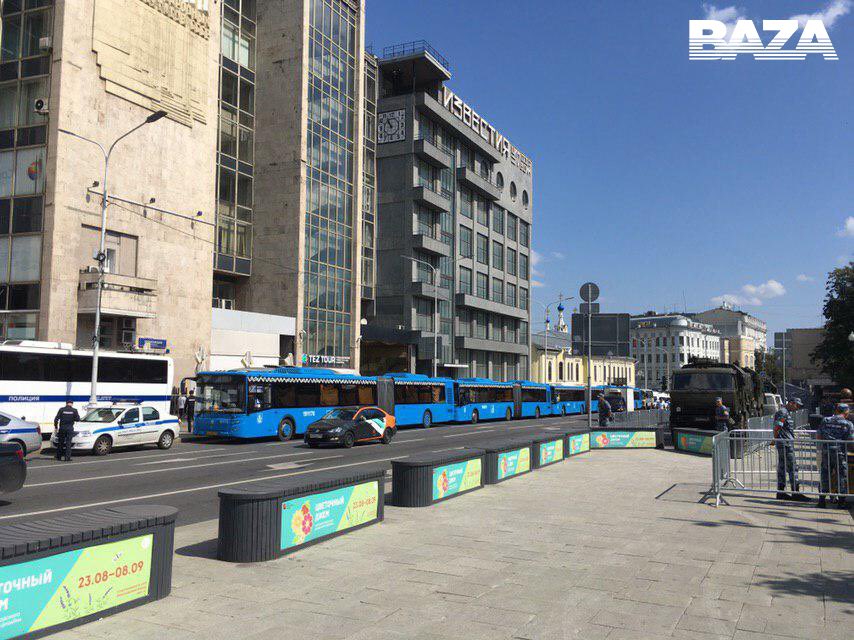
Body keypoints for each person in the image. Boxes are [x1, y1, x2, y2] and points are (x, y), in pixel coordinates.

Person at [817, 403, 853, 509]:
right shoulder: (848, 424)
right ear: (846, 412)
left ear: (837, 410)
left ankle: (822, 501)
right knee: (841, 475)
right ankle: (841, 502)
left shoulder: (825, 420)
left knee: (825, 475)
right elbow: (851, 440)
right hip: (840, 453)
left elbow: (818, 437)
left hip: (826, 452)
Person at [773, 398, 807, 501]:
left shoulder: (786, 412)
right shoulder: (783, 413)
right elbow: (777, 427)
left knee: (783, 467)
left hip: (785, 443)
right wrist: (775, 439)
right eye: (797, 405)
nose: (797, 408)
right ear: (791, 403)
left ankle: (781, 492)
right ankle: (795, 492)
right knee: (792, 467)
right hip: (785, 444)